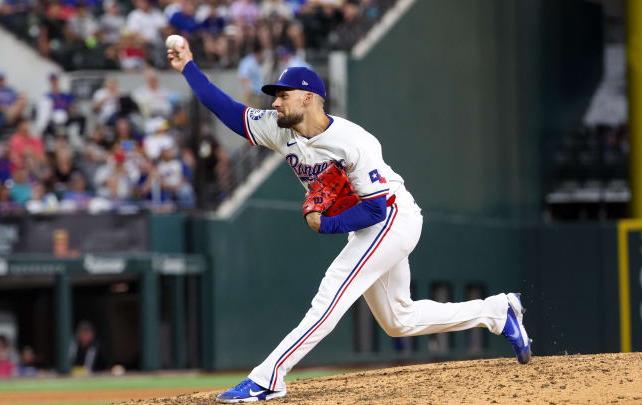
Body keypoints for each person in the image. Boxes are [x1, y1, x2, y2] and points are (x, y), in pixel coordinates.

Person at [168, 39, 532, 403]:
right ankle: (497, 312)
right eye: (274, 96)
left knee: (331, 294)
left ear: (308, 98)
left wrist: (324, 225)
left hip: (393, 218)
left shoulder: (353, 141)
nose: (275, 102)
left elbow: (376, 210)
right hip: (369, 226)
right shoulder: (280, 129)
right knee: (398, 320)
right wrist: (188, 67)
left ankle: (269, 378)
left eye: (283, 95)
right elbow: (228, 111)